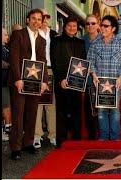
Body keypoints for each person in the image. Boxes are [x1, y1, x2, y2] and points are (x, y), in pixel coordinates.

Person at [8, 9, 48, 160]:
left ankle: (28, 143)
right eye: (33, 19)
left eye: (39, 19)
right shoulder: (18, 35)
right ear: (27, 20)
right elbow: (14, 57)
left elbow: (43, 61)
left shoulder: (42, 40)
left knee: (32, 113)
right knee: (18, 115)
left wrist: (44, 81)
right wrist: (18, 79)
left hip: (35, 81)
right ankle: (16, 147)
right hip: (20, 81)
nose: (36, 22)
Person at [88, 15, 121, 141]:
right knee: (101, 112)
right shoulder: (95, 42)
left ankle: (116, 139)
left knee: (115, 111)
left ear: (113, 28)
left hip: (116, 83)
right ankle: (103, 139)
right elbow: (90, 61)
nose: (103, 28)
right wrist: (94, 75)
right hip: (99, 84)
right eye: (102, 25)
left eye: (106, 26)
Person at [50, 16, 86, 147]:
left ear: (77, 28)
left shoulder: (80, 42)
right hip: (62, 82)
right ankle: (62, 140)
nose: (72, 28)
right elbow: (54, 62)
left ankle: (76, 139)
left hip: (76, 82)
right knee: (61, 112)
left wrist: (81, 80)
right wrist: (60, 79)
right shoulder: (56, 41)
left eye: (74, 26)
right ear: (64, 27)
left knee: (76, 111)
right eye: (69, 26)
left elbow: (83, 62)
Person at [33, 9, 58, 148]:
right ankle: (37, 135)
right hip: (35, 70)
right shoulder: (32, 33)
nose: (44, 19)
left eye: (46, 16)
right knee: (37, 104)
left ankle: (53, 135)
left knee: (51, 104)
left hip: (50, 70)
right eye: (41, 16)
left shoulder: (54, 34)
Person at [81, 14, 100, 140]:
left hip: (103, 82)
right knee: (90, 113)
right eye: (88, 23)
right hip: (87, 83)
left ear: (98, 24)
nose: (90, 26)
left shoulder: (106, 39)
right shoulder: (81, 41)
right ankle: (92, 138)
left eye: (93, 23)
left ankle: (104, 138)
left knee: (104, 113)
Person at [2, 28, 12, 142]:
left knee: (6, 105)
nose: (7, 37)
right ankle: (6, 130)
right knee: (6, 106)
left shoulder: (5, 48)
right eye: (5, 35)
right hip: (2, 84)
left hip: (6, 82)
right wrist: (12, 64)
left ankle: (7, 128)